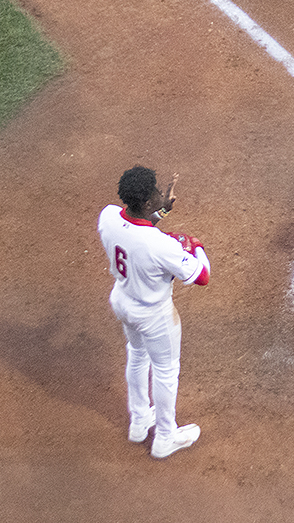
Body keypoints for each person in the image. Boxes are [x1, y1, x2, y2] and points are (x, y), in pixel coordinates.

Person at [98, 166, 210, 459]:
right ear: (147, 201)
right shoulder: (161, 246)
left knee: (137, 355)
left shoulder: (108, 216)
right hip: (154, 315)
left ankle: (139, 421)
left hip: (123, 301)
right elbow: (202, 276)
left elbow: (136, 228)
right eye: (157, 192)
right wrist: (195, 246)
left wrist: (162, 212)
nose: (162, 193)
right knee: (166, 372)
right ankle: (165, 437)